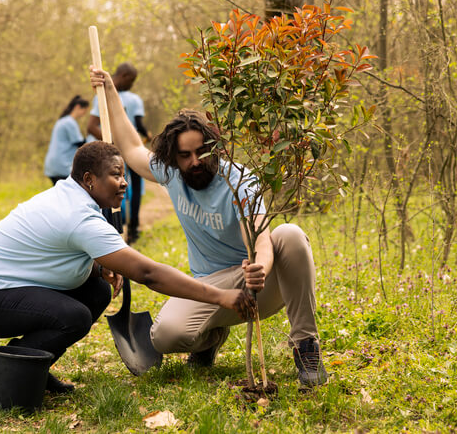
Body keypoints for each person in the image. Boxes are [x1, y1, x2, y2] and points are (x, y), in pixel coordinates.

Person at [0, 141, 256, 394]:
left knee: (95, 291)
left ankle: (33, 367)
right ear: (89, 180)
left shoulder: (68, 196)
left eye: (123, 175)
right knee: (73, 317)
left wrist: (95, 268)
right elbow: (148, 274)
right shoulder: (80, 217)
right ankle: (3, 378)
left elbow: (51, 253)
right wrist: (220, 296)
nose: (124, 183)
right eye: (115, 175)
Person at [89, 66, 328, 387]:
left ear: (214, 147)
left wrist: (260, 267)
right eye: (185, 155)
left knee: (290, 234)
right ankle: (210, 338)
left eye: (201, 152)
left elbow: (260, 239)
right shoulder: (172, 172)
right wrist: (111, 93)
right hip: (211, 289)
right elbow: (131, 149)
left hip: (260, 284)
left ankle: (306, 345)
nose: (194, 161)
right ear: (174, 156)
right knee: (164, 336)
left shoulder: (239, 181)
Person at [88, 63, 151, 244]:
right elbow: (138, 124)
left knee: (121, 188)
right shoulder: (112, 96)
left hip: (128, 149)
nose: (132, 84)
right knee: (118, 188)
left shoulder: (120, 96)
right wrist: (113, 145)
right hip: (117, 150)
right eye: (131, 80)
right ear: (123, 75)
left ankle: (128, 229)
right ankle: (121, 229)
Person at [44, 95, 90, 185]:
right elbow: (81, 144)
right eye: (84, 111)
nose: (84, 114)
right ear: (77, 107)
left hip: (52, 166)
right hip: (62, 167)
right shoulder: (70, 122)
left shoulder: (62, 121)